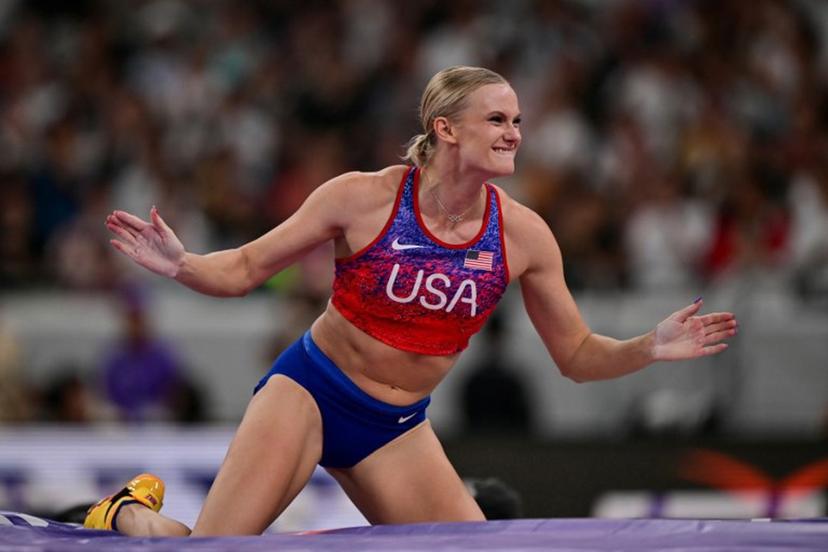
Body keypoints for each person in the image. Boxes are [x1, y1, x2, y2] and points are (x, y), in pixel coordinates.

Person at [86, 66, 737, 536]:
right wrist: (182, 264)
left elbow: (576, 354)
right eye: (497, 119)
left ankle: (130, 517)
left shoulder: (525, 236)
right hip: (310, 391)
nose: (514, 133)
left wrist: (649, 347)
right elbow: (248, 268)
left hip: (396, 429)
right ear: (446, 128)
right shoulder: (362, 199)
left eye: (517, 121)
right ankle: (130, 511)